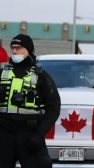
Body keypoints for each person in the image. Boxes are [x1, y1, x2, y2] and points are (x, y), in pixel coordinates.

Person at [0, 34, 61, 168]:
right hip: (4, 136)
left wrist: (39, 133)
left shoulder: (41, 76)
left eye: (19, 48)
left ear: (29, 50)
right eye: (13, 48)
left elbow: (54, 107)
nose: (14, 51)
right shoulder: (2, 74)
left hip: (29, 135)